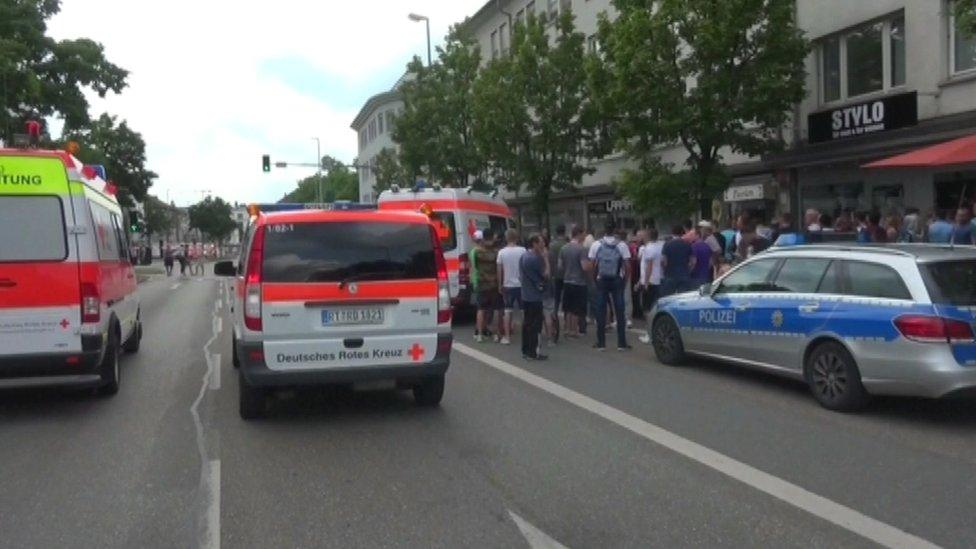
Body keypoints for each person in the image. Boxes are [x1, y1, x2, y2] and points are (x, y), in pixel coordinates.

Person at [588, 223, 631, 351]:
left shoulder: (596, 244)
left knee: (601, 311)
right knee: (619, 311)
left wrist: (594, 279)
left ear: (604, 231)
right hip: (617, 279)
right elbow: (627, 266)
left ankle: (601, 343)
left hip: (602, 280)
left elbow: (592, 265)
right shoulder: (621, 245)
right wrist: (624, 281)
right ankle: (621, 344)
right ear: (615, 230)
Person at [519, 234, 548, 361]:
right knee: (536, 325)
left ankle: (526, 350)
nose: (543, 245)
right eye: (541, 242)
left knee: (527, 323)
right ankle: (534, 351)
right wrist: (545, 258)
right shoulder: (536, 259)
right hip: (535, 296)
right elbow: (545, 274)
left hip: (525, 294)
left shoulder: (523, 256)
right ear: (535, 244)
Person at [496, 229, 526, 345]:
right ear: (517, 237)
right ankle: (525, 335)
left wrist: (500, 284)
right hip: (521, 285)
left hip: (508, 285)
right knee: (524, 311)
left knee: (507, 311)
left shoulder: (502, 253)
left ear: (506, 238)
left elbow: (499, 270)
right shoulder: (523, 250)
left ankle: (507, 337)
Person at [473, 230, 504, 343]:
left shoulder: (477, 252)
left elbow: (474, 266)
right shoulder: (497, 252)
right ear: (492, 237)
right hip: (494, 284)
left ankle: (480, 334)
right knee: (496, 309)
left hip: (482, 283)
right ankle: (496, 334)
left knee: (481, 309)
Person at [558, 226, 588, 338]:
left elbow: (560, 266)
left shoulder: (564, 248)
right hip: (579, 281)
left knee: (568, 308)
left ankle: (567, 329)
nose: (585, 236)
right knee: (576, 308)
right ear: (579, 234)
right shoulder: (582, 249)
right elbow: (584, 267)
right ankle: (574, 331)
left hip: (567, 280)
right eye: (584, 234)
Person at [637, 229, 664, 345]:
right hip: (660, 279)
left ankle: (649, 334)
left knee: (647, 308)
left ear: (647, 236)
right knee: (657, 306)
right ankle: (657, 332)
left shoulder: (649, 248)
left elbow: (649, 266)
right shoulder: (661, 246)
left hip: (651, 281)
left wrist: (646, 282)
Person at [661, 225, 695, 297]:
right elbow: (693, 261)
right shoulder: (687, 244)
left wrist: (664, 270)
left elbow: (664, 262)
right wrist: (689, 270)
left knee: (668, 298)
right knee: (683, 298)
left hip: (670, 274)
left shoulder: (667, 244)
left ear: (672, 232)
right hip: (684, 274)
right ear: (682, 233)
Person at [548, 224, 568, 336]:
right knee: (566, 299)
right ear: (564, 232)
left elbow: (550, 259)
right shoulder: (567, 244)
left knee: (555, 299)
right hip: (566, 275)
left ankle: (554, 318)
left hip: (555, 275)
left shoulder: (552, 245)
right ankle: (566, 321)